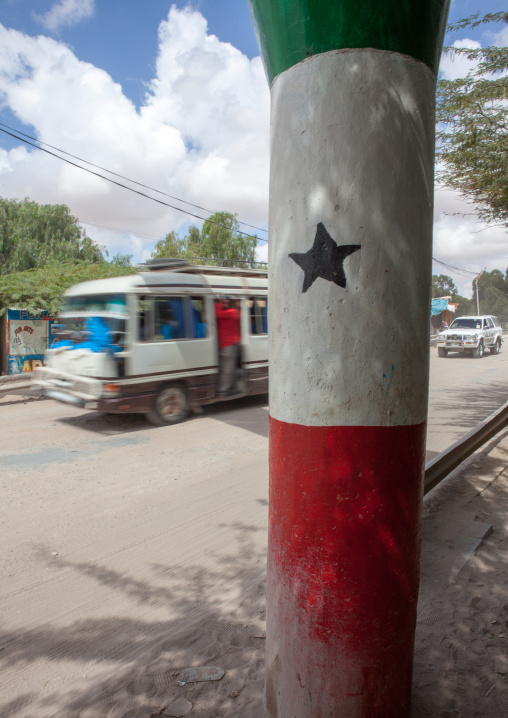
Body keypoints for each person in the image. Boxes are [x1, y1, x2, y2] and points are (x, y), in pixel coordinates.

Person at [215, 296, 241, 396]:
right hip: (227, 345)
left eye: (226, 303)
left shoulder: (231, 312)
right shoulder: (230, 312)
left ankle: (226, 388)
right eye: (223, 303)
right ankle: (224, 390)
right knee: (227, 370)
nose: (224, 305)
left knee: (227, 369)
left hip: (228, 345)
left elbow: (217, 312)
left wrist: (218, 303)